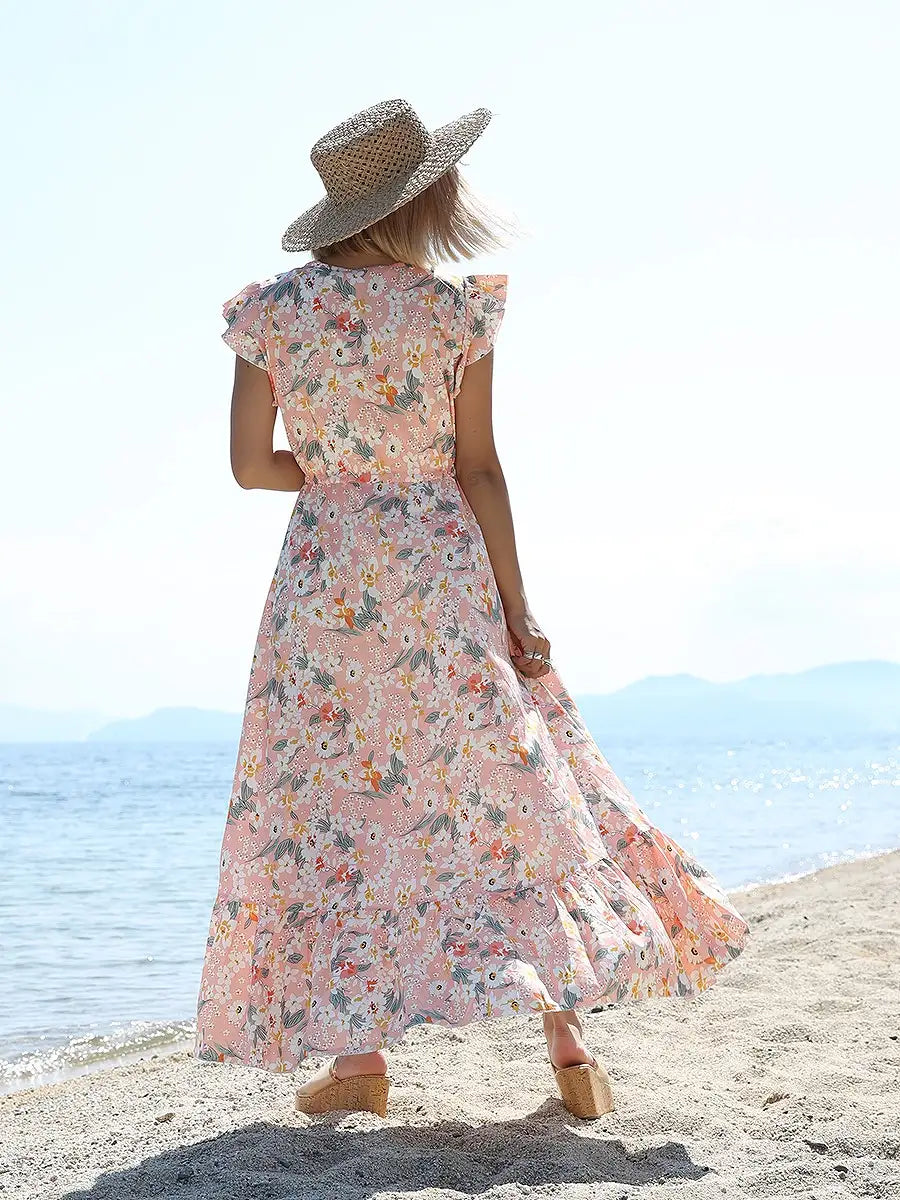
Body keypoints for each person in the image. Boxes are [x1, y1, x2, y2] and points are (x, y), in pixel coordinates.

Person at [194, 97, 749, 1121]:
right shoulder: (454, 311)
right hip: (443, 573)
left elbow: (247, 467)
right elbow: (480, 469)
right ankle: (568, 1047)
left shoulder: (271, 312)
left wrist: (342, 476)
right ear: (419, 199)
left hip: (326, 583)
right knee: (506, 785)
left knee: (334, 804)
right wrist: (518, 608)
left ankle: (360, 1063)